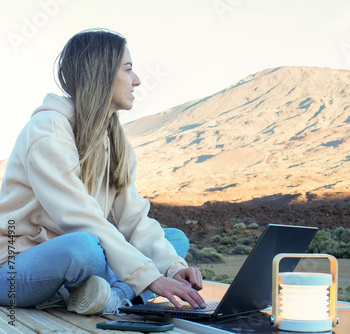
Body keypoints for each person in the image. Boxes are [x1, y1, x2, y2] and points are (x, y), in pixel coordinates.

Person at [0, 28, 205, 315]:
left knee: (174, 241)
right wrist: (150, 278)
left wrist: (172, 270)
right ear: (102, 74)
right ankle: (116, 291)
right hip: (14, 268)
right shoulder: (47, 130)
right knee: (85, 248)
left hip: (80, 255)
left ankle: (109, 296)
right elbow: (79, 218)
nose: (137, 80)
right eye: (128, 69)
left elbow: (134, 220)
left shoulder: (114, 140)